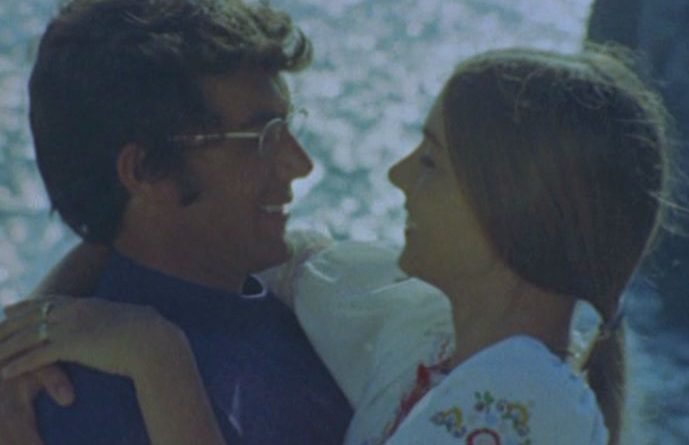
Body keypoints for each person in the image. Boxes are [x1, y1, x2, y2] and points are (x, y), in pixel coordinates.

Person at [0, 48, 670, 444]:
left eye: (430, 162)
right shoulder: (423, 335)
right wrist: (33, 332)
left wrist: (156, 359)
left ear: (509, 211)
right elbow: (185, 238)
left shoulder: (522, 403)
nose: (397, 175)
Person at [0, 0, 354, 444]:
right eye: (262, 137)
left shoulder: (272, 302)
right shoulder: (93, 402)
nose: (300, 164)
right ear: (146, 170)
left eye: (289, 126)